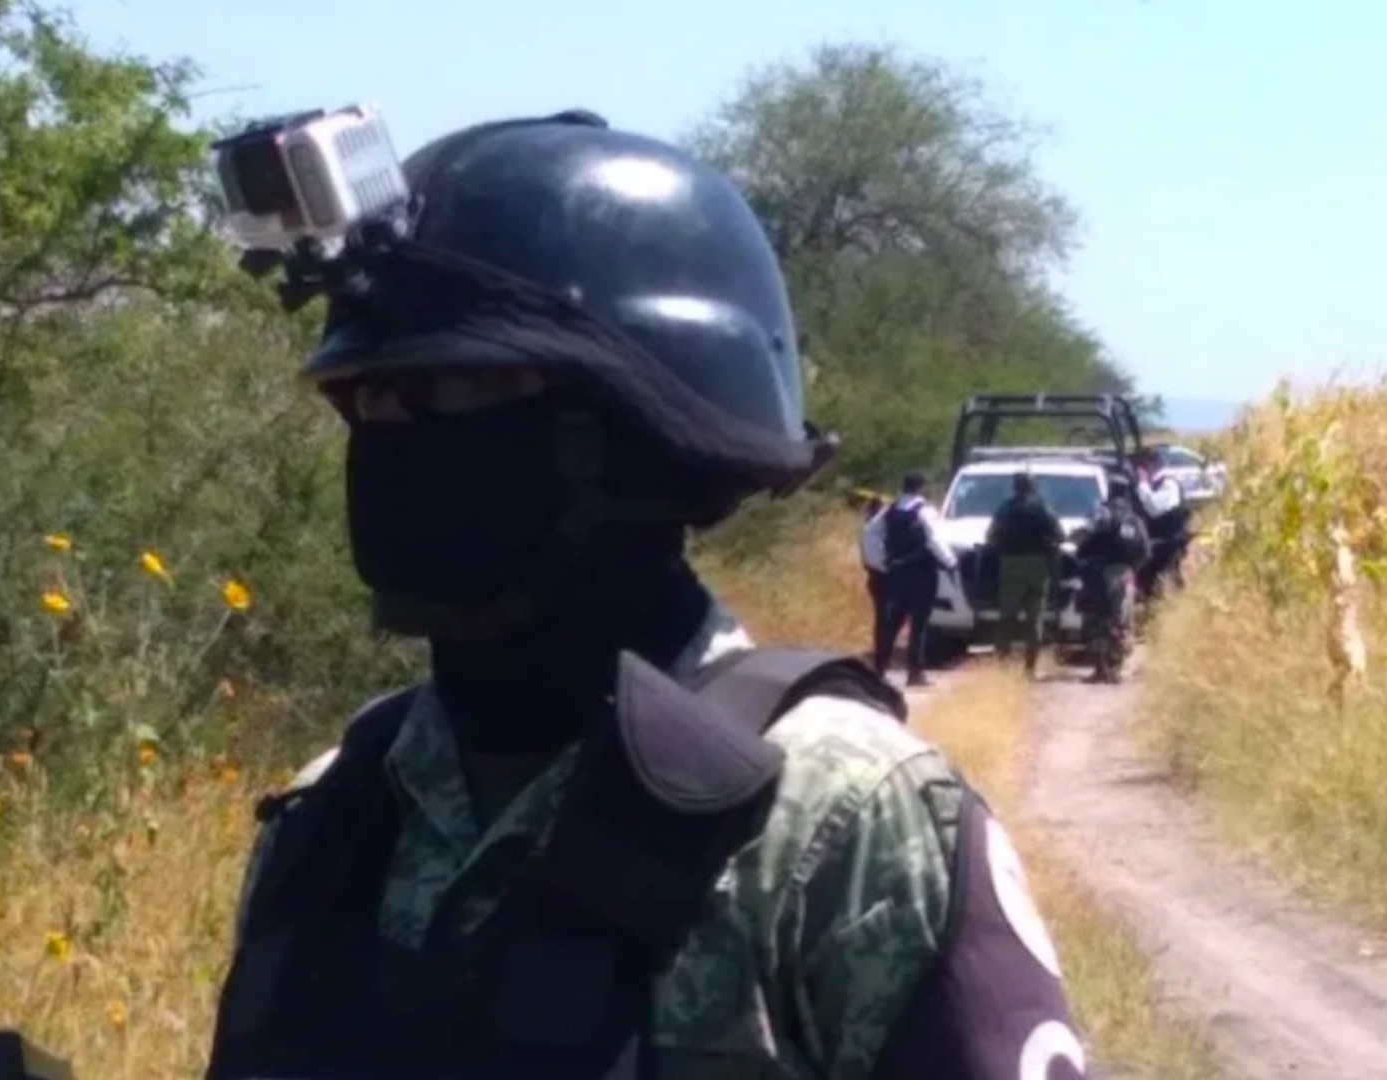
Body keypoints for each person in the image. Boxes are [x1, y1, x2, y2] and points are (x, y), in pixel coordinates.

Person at [201, 109, 1087, 1080]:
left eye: (455, 394)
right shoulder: (335, 814)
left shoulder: (837, 818)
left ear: (633, 435)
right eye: (370, 403)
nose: (393, 441)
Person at [868, 471, 958, 687]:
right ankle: (915, 673)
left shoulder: (889, 510)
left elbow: (869, 534)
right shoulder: (925, 511)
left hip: (896, 575)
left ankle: (879, 670)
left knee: (893, 623)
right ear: (921, 487)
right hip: (922, 573)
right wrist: (951, 563)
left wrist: (881, 563)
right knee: (919, 624)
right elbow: (934, 539)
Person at [984, 471, 1066, 677]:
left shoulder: (1005, 509)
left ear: (1015, 487)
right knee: (1034, 618)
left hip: (1010, 564)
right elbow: (1060, 535)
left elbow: (990, 536)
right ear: (1033, 487)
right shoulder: (1043, 508)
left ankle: (1003, 666)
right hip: (1038, 565)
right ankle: (1030, 668)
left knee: (1007, 617)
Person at [1073, 495, 1150, 684]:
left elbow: (1083, 548)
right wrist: (1132, 569)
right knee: (1120, 621)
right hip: (1123, 574)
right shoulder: (1134, 521)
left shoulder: (1101, 516)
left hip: (1097, 575)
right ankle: (1115, 668)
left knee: (1097, 620)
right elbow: (1145, 552)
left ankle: (1100, 668)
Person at [1131, 449, 1192, 602]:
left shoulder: (1168, 484)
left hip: (1169, 546)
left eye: (1139, 468)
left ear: (1149, 467)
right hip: (1155, 547)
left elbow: (1154, 508)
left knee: (1166, 586)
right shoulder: (1153, 487)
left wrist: (1143, 483)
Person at [858, 493, 891, 663]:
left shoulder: (866, 528)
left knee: (881, 618)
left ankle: (882, 652)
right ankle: (883, 654)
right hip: (882, 577)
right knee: (886, 618)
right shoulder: (873, 530)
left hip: (873, 577)